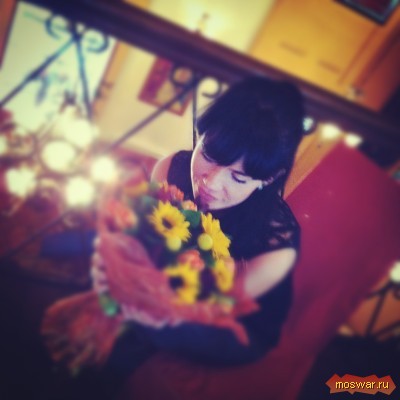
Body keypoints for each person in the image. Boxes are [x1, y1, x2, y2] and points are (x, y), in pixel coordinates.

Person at [129, 76, 305, 366]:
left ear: (268, 179)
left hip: (236, 326)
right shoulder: (170, 170)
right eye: (209, 155)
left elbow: (211, 307)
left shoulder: (276, 244)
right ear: (200, 134)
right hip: (169, 283)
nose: (210, 183)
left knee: (146, 321)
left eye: (239, 177)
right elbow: (148, 237)